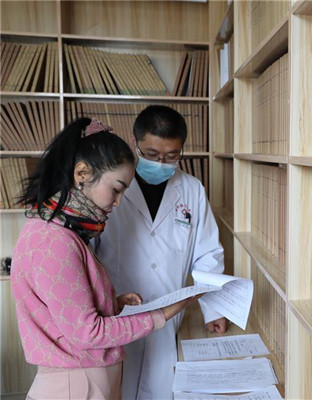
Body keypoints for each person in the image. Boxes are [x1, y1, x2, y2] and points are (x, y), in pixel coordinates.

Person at [11, 117, 198, 399]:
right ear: (82, 174)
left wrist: (112, 302)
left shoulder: (62, 229)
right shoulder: (55, 240)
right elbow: (88, 333)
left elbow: (67, 310)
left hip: (86, 381)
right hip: (77, 387)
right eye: (116, 189)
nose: (118, 202)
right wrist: (161, 314)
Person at [94, 105, 228, 399]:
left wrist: (214, 309)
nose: (161, 163)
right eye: (152, 155)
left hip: (168, 316)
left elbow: (207, 254)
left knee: (160, 388)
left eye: (171, 156)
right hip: (116, 316)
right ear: (134, 143)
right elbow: (89, 250)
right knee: (116, 389)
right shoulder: (110, 188)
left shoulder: (192, 189)